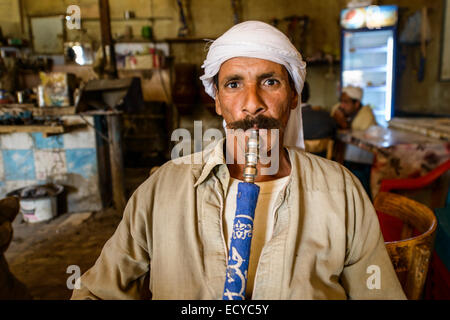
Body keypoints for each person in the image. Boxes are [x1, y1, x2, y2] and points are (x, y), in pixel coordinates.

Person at [71, 21, 405, 300]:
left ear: (292, 97)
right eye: (234, 84)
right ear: (217, 101)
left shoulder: (340, 190)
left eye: (270, 82)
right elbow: (96, 291)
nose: (252, 103)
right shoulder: (163, 188)